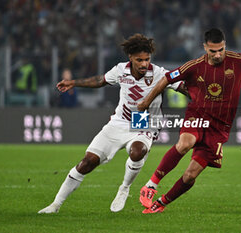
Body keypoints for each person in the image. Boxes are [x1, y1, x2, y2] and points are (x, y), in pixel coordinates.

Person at [137, 28, 241, 213]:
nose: (217, 55)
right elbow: (166, 79)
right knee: (186, 143)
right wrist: (146, 102)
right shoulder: (194, 66)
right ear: (204, 48)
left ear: (225, 46)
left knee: (190, 175)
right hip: (197, 115)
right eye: (213, 51)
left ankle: (160, 204)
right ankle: (151, 185)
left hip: (219, 128)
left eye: (221, 50)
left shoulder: (237, 61)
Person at [38, 34, 185, 214]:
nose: (144, 64)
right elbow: (101, 80)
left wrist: (204, 96)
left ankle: (124, 188)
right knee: (87, 162)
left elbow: (183, 88)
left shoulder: (160, 73)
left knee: (137, 151)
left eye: (147, 59)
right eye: (139, 60)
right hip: (119, 122)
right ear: (130, 58)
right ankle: (55, 205)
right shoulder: (120, 70)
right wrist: (74, 83)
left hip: (144, 122)